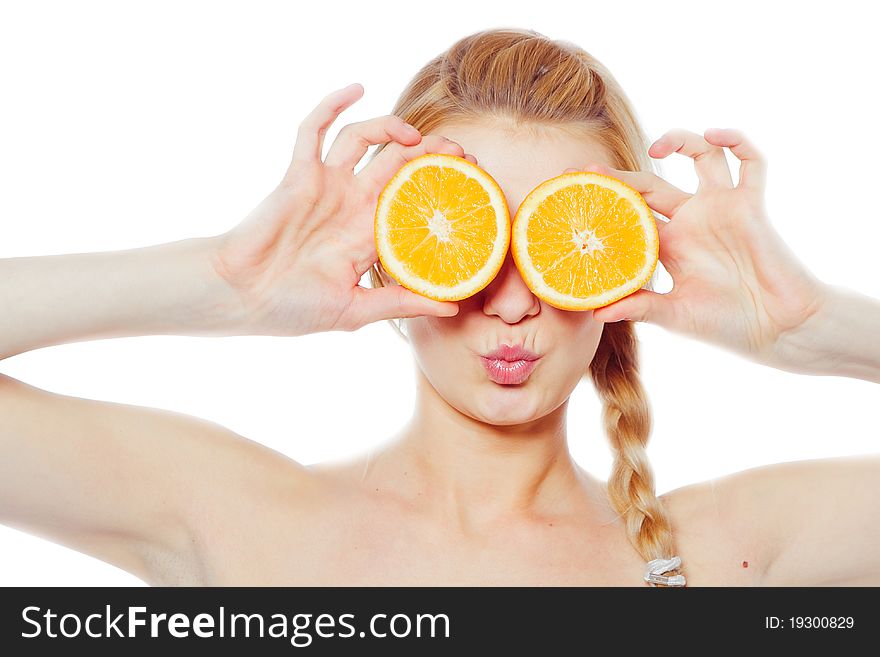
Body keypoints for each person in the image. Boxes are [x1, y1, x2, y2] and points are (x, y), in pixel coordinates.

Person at [1, 27, 878, 587]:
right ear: (391, 244)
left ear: (623, 256)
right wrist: (228, 285)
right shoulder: (235, 516)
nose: (511, 300)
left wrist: (809, 329)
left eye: (554, 241)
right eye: (472, 238)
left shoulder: (729, 549)